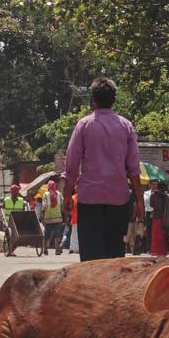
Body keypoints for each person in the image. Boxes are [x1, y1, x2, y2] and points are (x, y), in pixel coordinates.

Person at [61, 77, 142, 262]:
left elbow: (72, 165)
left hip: (90, 200)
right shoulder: (126, 126)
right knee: (115, 255)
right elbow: (133, 168)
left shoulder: (84, 125)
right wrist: (139, 201)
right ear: (113, 100)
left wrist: (67, 194)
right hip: (119, 200)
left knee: (91, 257)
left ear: (93, 100)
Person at [40, 182, 66, 254]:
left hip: (48, 219)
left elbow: (43, 207)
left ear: (48, 187)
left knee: (47, 234)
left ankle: (45, 249)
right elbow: (62, 207)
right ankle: (57, 249)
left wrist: (42, 218)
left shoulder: (45, 195)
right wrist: (64, 218)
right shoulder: (59, 194)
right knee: (57, 235)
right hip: (58, 218)